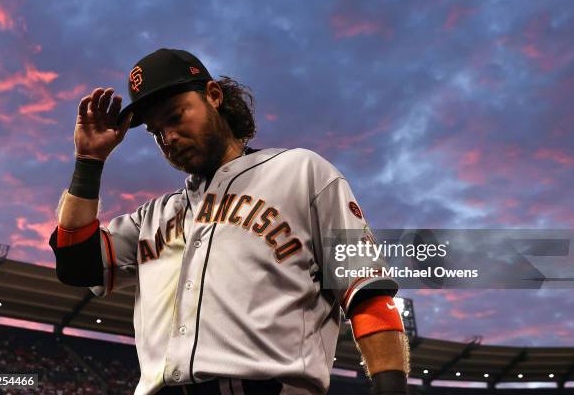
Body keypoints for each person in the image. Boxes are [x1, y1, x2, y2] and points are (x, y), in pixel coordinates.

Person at [50, 48, 410, 395]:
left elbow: (367, 291)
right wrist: (88, 160)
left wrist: (390, 387)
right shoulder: (152, 217)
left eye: (175, 116)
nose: (168, 137)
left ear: (213, 95)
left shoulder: (300, 172)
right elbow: (75, 264)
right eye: (156, 131)